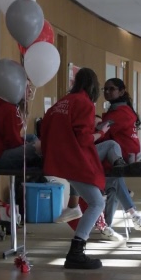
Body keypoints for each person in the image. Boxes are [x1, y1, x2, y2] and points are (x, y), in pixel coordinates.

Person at [39, 67, 110, 269]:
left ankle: (73, 213)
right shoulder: (84, 103)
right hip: (74, 160)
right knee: (97, 203)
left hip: (56, 158)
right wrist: (101, 133)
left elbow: (44, 129)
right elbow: (84, 139)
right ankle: (76, 251)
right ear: (93, 85)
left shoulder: (61, 102)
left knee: (93, 200)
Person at [99, 78, 141, 231]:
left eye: (111, 89)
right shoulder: (119, 110)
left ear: (121, 91)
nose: (107, 92)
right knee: (113, 184)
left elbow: (101, 131)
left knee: (113, 179)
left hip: (122, 154)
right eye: (105, 89)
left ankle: (131, 212)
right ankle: (108, 225)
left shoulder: (120, 113)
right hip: (124, 154)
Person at [0, 94, 42, 170]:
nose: (30, 92)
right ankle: (34, 176)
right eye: (27, 87)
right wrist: (30, 146)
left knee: (32, 138)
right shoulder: (9, 108)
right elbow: (13, 142)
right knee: (39, 147)